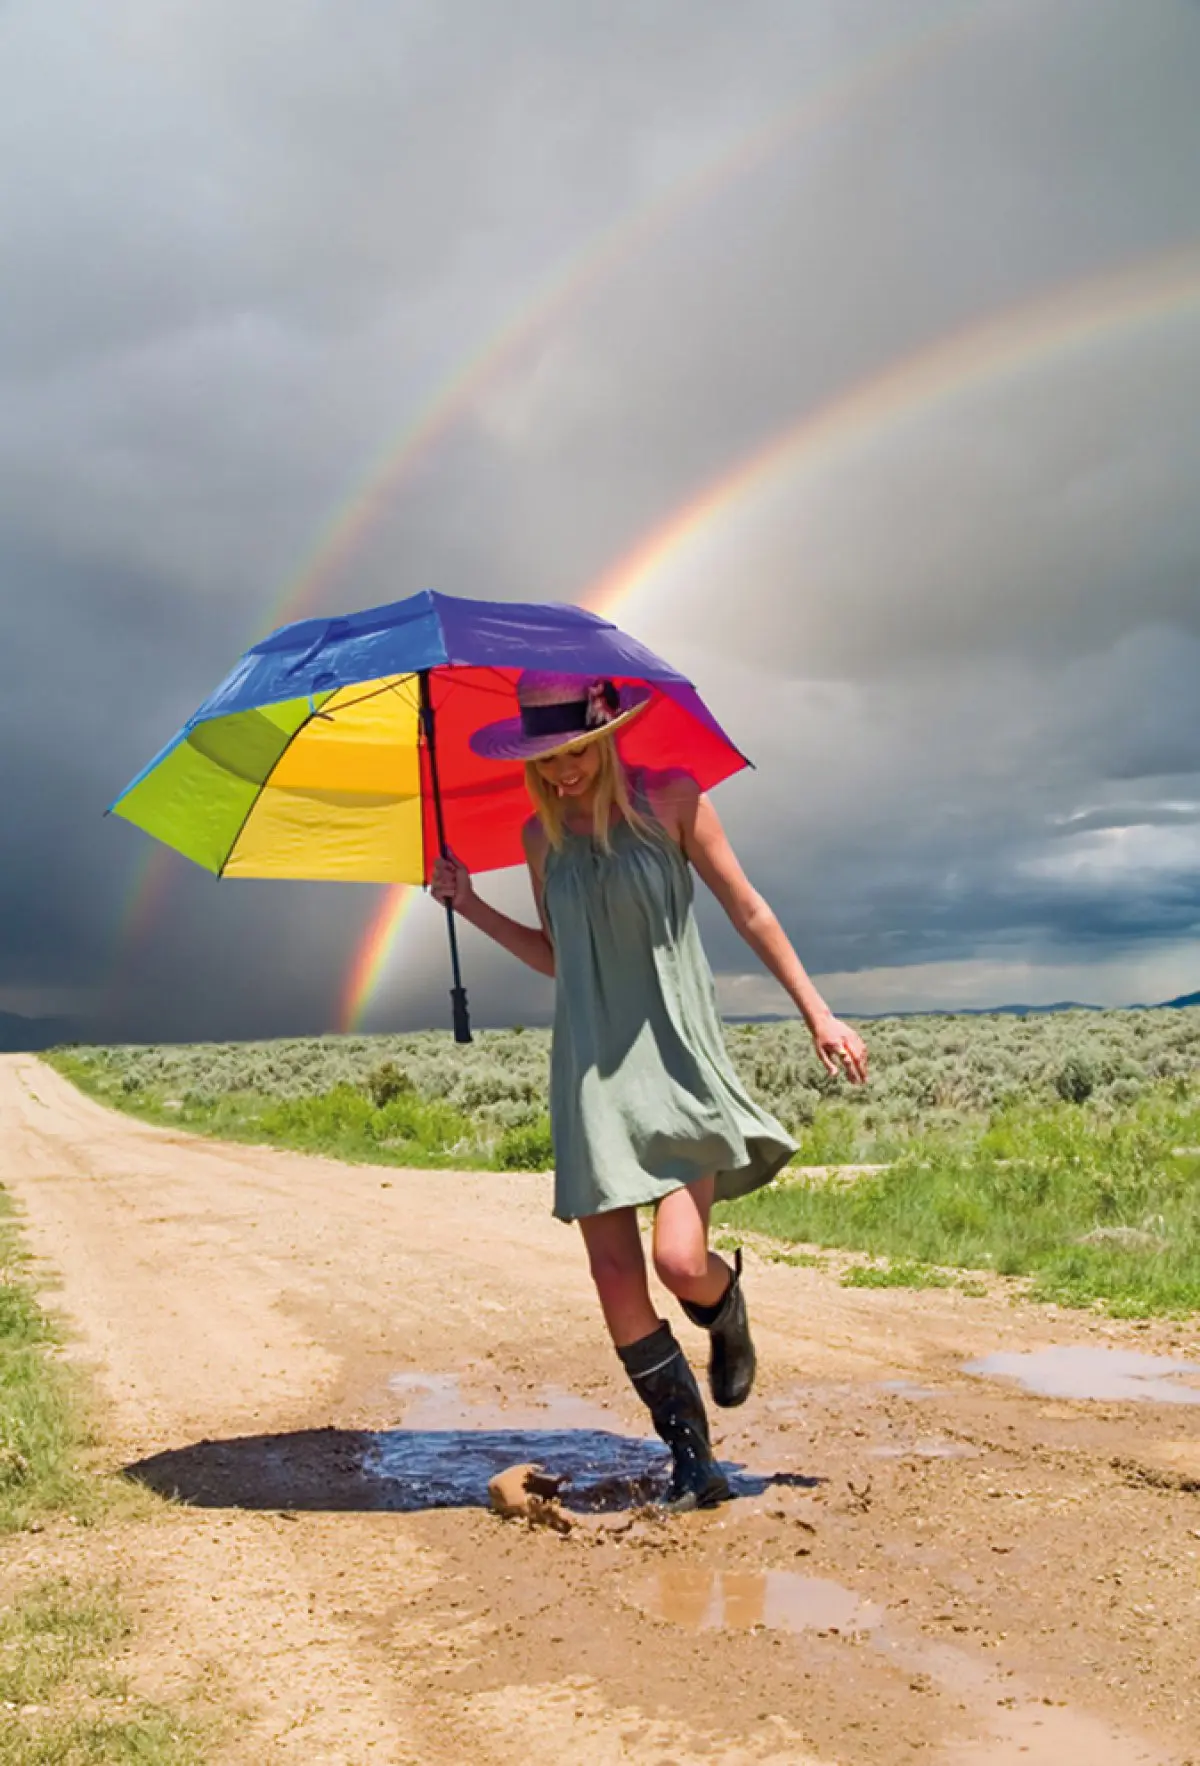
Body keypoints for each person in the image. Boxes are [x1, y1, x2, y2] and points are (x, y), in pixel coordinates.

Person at [431, 670, 868, 1510]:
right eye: (544, 759)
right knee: (613, 1278)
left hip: (673, 1057)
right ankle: (692, 1459)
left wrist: (819, 1013)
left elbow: (748, 909)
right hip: (592, 1070)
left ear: (606, 732)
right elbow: (561, 959)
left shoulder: (672, 798)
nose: (562, 773)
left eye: (575, 753)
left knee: (677, 1260)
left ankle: (724, 1302)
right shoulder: (539, 837)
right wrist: (471, 905)